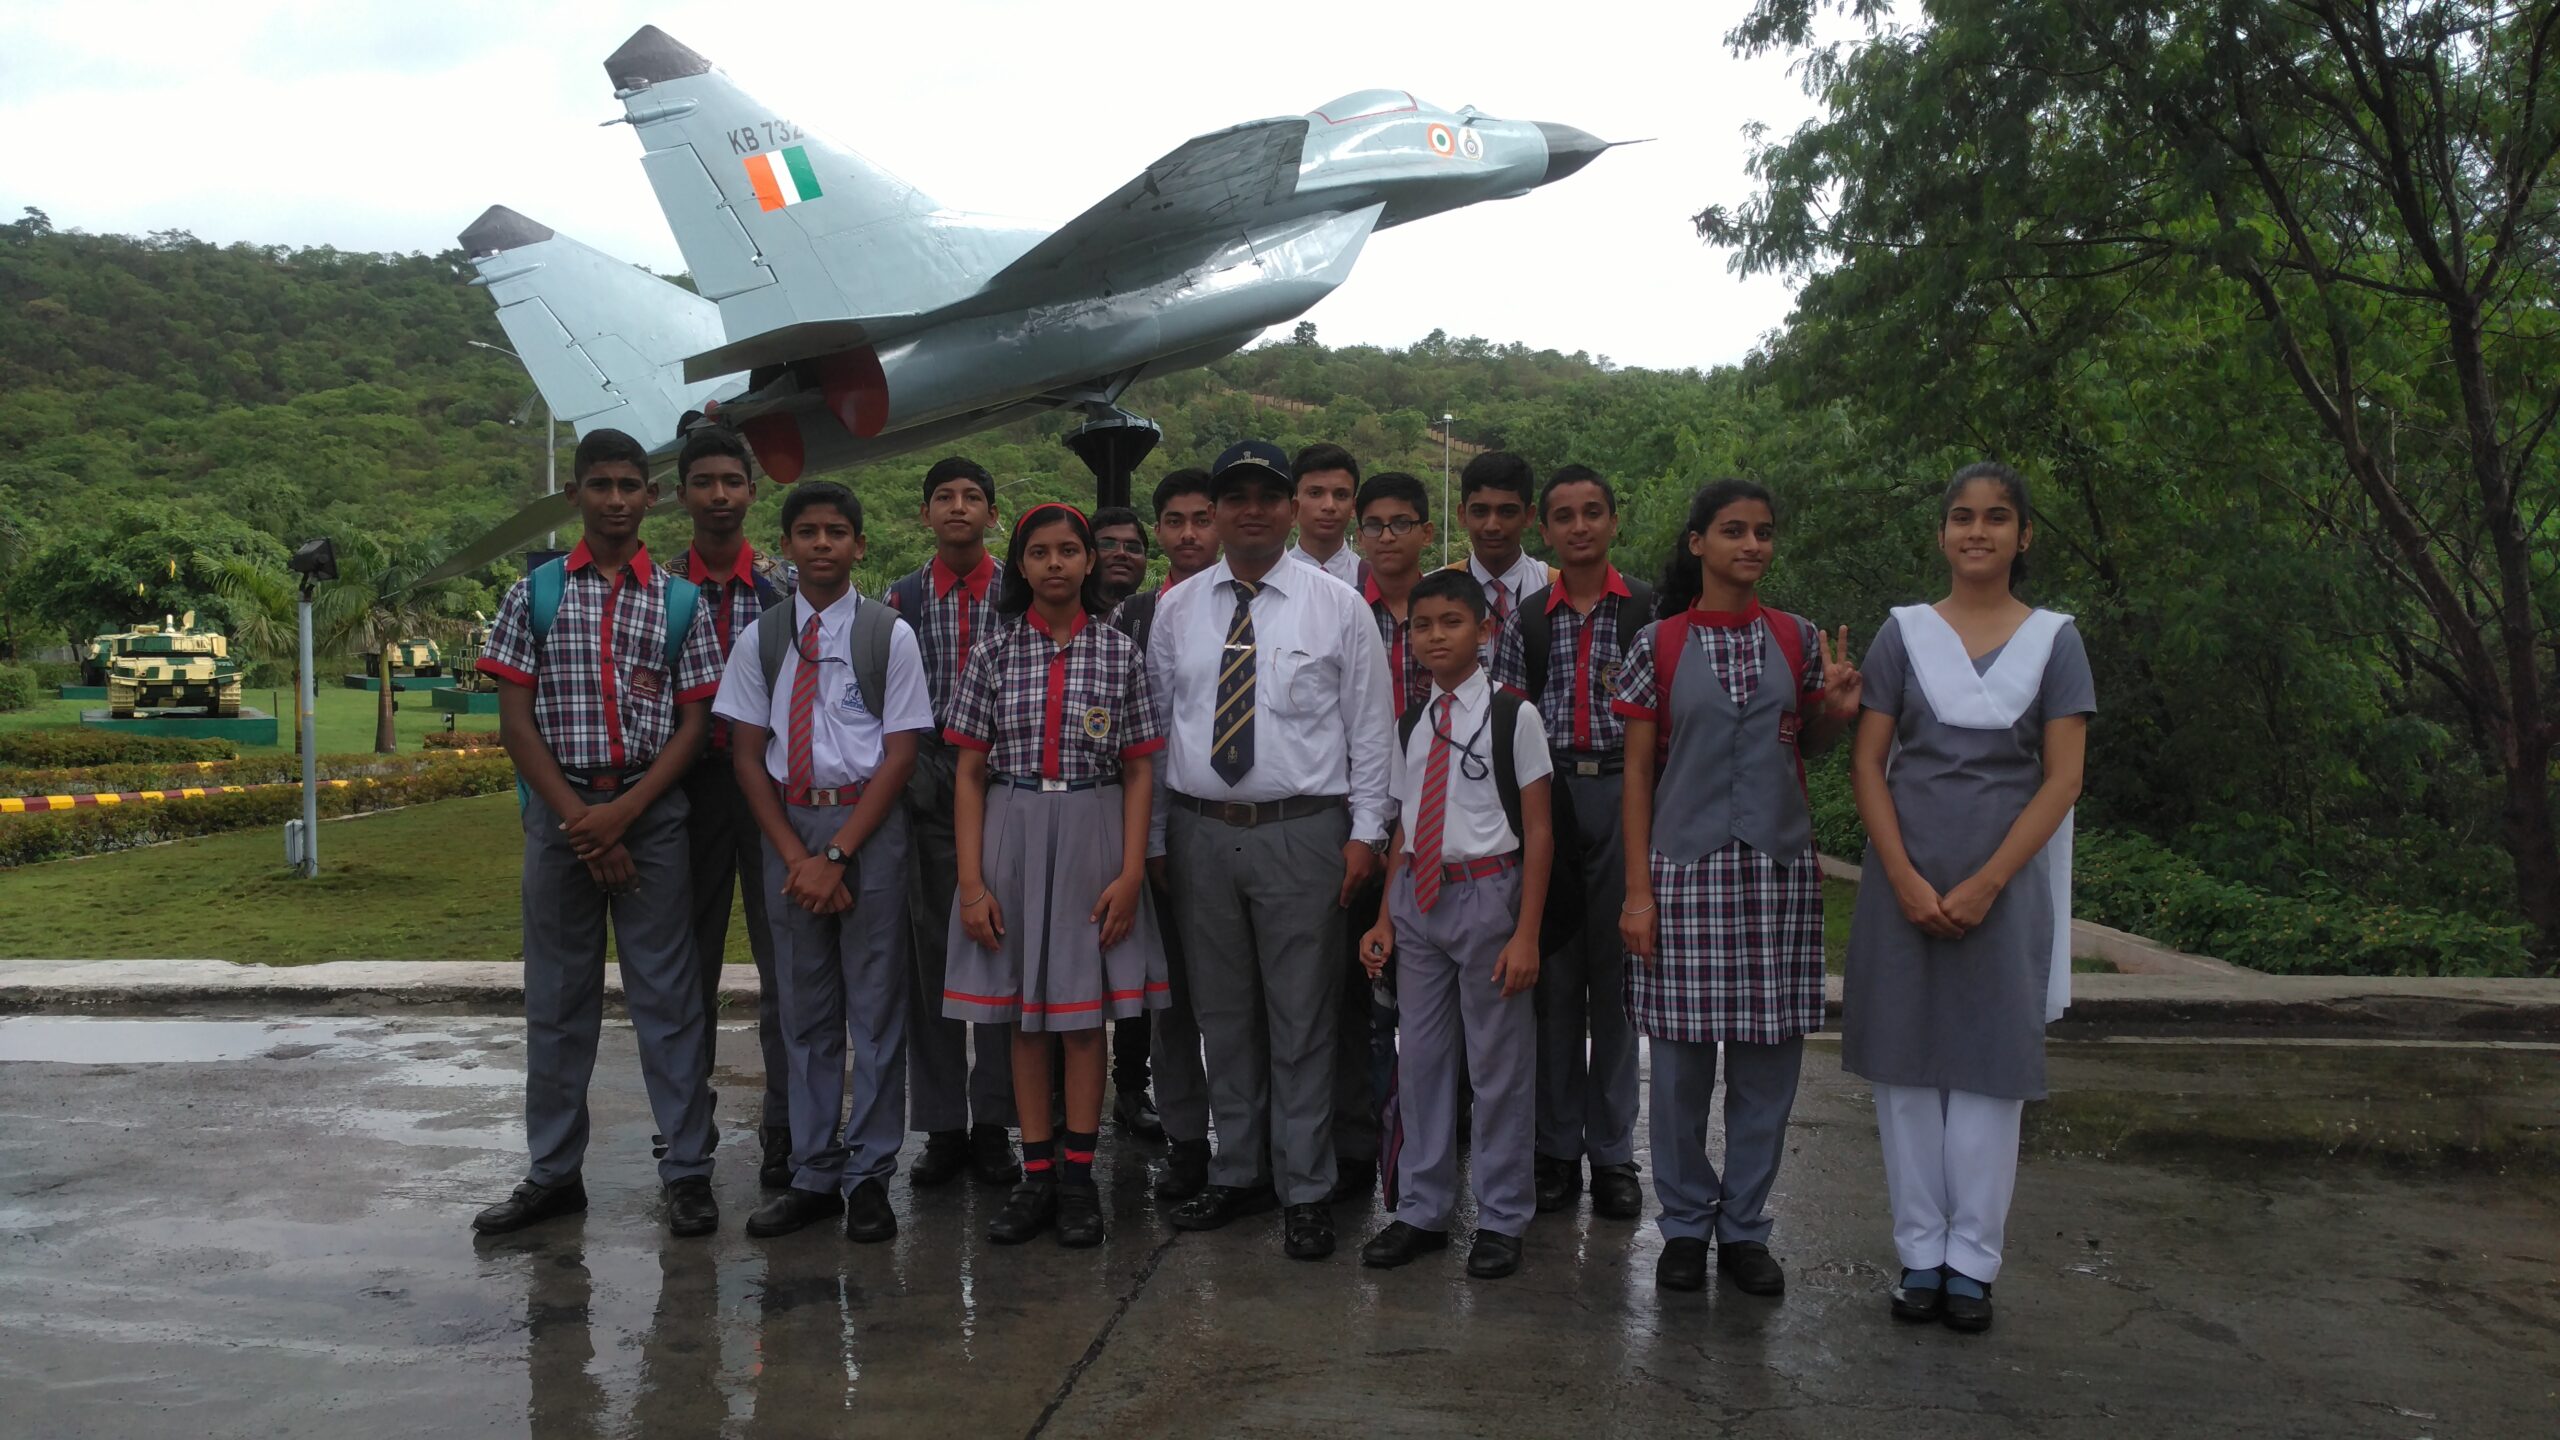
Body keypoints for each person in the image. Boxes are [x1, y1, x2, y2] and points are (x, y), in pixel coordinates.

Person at [1844, 462, 2091, 1335]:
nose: (1976, 531)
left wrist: (1990, 881)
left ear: (2024, 536)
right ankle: (1919, 1255)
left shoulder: (2056, 641)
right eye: (1960, 517)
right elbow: (1868, 762)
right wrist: (1905, 876)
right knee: (1906, 1068)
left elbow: (2063, 779)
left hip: (2006, 885)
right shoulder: (1904, 634)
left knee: (1990, 1071)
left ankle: (1971, 1264)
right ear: (1942, 533)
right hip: (1902, 881)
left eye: (1995, 518)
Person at [470, 428, 729, 1239]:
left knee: (670, 999)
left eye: (629, 485)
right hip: (560, 821)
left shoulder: (682, 600)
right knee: (556, 1000)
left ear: (650, 497)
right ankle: (553, 1173)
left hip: (651, 818)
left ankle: (686, 1170)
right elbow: (515, 723)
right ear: (576, 494)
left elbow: (695, 726)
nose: (616, 499)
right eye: (600, 485)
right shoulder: (535, 594)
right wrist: (583, 820)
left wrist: (624, 814)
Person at [1611, 479, 1861, 1297]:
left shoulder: (1796, 637)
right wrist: (1637, 893)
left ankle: (1746, 1228)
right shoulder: (1659, 644)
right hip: (1684, 880)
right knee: (1679, 1071)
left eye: (1763, 532)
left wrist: (1838, 710)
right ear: (1698, 544)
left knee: (1767, 1072)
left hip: (1778, 879)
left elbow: (1807, 744)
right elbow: (1639, 775)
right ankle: (1684, 1226)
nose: (1751, 545)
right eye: (1732, 531)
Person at [1148, 439, 1395, 1261]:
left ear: (1291, 509)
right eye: (1234, 496)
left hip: (1304, 834)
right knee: (1223, 1016)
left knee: (1304, 1019)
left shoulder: (1338, 606)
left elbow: (1369, 732)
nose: (1250, 508)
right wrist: (1154, 840)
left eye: (1267, 495)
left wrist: (1366, 837)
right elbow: (1156, 734)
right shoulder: (1177, 609)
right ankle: (1239, 1169)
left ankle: (1307, 1187)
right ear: (1213, 512)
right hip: (1200, 835)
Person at [715, 480, 938, 1242]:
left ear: (859, 545)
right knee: (804, 1010)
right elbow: (747, 755)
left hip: (866, 825)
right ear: (787, 545)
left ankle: (870, 1174)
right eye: (806, 531)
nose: (821, 544)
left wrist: (839, 853)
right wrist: (796, 856)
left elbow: (902, 752)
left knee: (875, 1010)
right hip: (789, 821)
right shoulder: (764, 637)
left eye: (836, 531)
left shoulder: (887, 635)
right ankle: (812, 1171)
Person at [943, 504, 1170, 1248]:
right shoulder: (994, 653)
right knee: (1021, 1018)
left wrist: (1131, 871)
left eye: (1069, 550)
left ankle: (1079, 1181)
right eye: (1038, 552)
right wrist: (973, 883)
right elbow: (969, 772)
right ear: (1020, 565)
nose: (1054, 564)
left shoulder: (1120, 653)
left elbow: (1139, 771)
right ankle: (1035, 1177)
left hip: (1091, 836)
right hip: (1013, 831)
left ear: (1089, 562)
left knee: (1079, 1022)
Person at [1356, 570, 1553, 1279]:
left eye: (1451, 623)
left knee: (1498, 1067)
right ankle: (1421, 1208)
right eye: (1422, 626)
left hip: (1487, 896)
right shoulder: (1413, 721)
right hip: (1418, 900)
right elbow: (1406, 827)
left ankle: (1501, 1216)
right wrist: (1385, 916)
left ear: (1484, 631)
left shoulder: (1512, 716)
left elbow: (1538, 831)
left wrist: (1526, 933)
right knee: (1423, 1062)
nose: (1435, 637)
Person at [1490, 463, 1652, 1219]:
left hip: (1626, 791)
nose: (1580, 526)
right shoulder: (1527, 618)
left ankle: (1613, 1152)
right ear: (1545, 531)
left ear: (1614, 521)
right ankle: (1554, 1147)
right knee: (1552, 985)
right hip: (1549, 798)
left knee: (1617, 984)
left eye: (1593, 512)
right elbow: (1509, 721)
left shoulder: (1647, 611)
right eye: (1564, 516)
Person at [884, 457, 1020, 1188]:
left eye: (973, 495)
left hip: (1004, 779)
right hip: (927, 780)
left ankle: (995, 1121)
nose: (959, 507)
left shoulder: (1017, 591)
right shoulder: (900, 598)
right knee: (928, 957)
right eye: (945, 496)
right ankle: (941, 1126)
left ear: (992, 514)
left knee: (998, 951)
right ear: (926, 513)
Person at [672, 423, 795, 1190]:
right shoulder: (661, 592)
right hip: (685, 791)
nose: (720, 495)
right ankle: (686, 1127)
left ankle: (788, 1125)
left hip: (773, 790)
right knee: (687, 968)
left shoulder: (782, 590)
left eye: (732, 481)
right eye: (704, 482)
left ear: (753, 491)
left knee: (788, 965)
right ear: (684, 493)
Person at [1108, 466, 1218, 1196]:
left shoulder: (1261, 604)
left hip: (1243, 817)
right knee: (1171, 992)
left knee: (1243, 997)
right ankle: (1184, 1135)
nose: (1187, 534)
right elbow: (1130, 739)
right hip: (1166, 816)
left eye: (1199, 519)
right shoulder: (1138, 616)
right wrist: (1143, 842)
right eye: (1172, 521)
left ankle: (1251, 1138)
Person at [1085, 502, 1159, 1139]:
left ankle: (1131, 1087)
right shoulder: (1057, 619)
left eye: (1133, 545)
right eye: (1106, 542)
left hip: (1137, 803)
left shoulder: (1156, 615)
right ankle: (1057, 1098)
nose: (1120, 553)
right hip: (1069, 806)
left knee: (1131, 956)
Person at [1452, 452, 1554, 631]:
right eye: (1480, 511)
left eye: (1507, 512)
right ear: (1462, 515)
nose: (1492, 526)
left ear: (1529, 516)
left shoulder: (1554, 588)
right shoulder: (1435, 591)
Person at [1284, 442, 1364, 586]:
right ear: (1293, 505)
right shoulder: (1267, 581)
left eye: (1341, 495)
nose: (1329, 506)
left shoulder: (1373, 581)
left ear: (1353, 507)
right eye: (1315, 493)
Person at [1089, 505, 1150, 610]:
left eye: (1132, 548)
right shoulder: (1060, 618)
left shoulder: (1162, 615)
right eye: (1107, 545)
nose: (1121, 553)